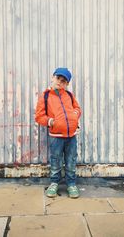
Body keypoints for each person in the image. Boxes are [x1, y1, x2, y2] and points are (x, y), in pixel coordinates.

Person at [35, 67, 81, 198]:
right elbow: (39, 116)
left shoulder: (69, 96)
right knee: (56, 160)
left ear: (67, 84)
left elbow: (77, 108)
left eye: (64, 81)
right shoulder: (45, 96)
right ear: (52, 77)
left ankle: (71, 184)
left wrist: (74, 114)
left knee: (71, 160)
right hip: (56, 137)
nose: (60, 82)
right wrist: (51, 122)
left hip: (71, 136)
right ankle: (54, 183)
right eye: (58, 78)